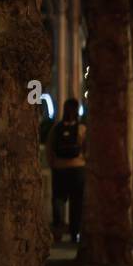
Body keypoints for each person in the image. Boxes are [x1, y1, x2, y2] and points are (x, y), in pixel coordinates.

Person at [47, 98, 86, 244]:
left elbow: (50, 149)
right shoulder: (81, 129)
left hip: (60, 169)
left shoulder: (56, 129)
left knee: (58, 200)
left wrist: (54, 164)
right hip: (77, 169)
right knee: (76, 203)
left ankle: (58, 231)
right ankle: (74, 233)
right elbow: (87, 148)